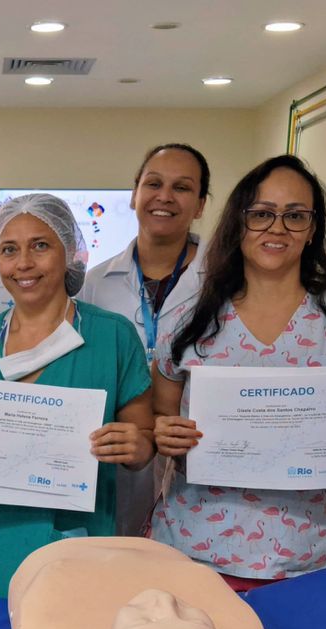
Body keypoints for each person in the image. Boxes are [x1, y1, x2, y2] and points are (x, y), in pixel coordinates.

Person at [149, 155, 326, 589]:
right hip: (196, 555)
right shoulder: (188, 320)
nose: (277, 229)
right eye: (262, 214)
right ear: (238, 223)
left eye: (294, 216)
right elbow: (159, 424)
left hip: (311, 555)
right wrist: (163, 434)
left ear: (313, 228)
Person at [0, 193, 155, 598]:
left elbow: (143, 440)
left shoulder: (112, 337)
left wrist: (136, 445)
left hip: (77, 548)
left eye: (40, 245)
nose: (23, 263)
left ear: (68, 252)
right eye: (9, 249)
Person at [81, 142, 211, 537]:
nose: (165, 197)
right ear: (135, 193)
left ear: (201, 204)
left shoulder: (227, 283)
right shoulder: (95, 284)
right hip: (119, 461)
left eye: (182, 187)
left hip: (199, 461)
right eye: (153, 183)